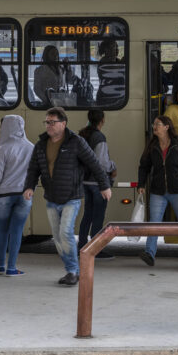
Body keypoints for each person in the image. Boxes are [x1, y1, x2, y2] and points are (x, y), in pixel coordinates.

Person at [23, 107, 111, 286]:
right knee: (57, 238)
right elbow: (33, 169)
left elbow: (94, 164)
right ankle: (72, 269)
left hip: (72, 197)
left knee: (65, 233)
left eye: (52, 122)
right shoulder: (41, 144)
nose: (49, 125)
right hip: (51, 198)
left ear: (63, 124)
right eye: (47, 122)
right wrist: (29, 187)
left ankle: (72, 271)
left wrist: (105, 186)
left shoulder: (76, 142)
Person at [136, 115, 178, 266]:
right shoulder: (152, 145)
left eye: (158, 124)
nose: (154, 127)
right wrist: (141, 184)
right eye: (154, 124)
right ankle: (150, 253)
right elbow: (143, 166)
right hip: (158, 191)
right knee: (154, 222)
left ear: (167, 127)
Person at [0, 115, 34, 277]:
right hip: (24, 195)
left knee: (2, 230)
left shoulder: (3, 148)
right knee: (17, 231)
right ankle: (12, 267)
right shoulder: (32, 147)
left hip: (3, 195)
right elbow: (35, 173)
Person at [77, 110, 117, 260]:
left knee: (87, 215)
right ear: (102, 120)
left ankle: (81, 246)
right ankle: (95, 250)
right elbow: (102, 163)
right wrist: (113, 166)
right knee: (98, 216)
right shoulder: (99, 137)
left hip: (85, 181)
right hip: (97, 182)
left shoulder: (83, 134)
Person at [96, 40, 124, 107]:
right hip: (106, 97)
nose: (116, 50)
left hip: (117, 96)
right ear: (106, 50)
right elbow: (114, 71)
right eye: (114, 47)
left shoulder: (117, 61)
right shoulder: (103, 61)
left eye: (117, 47)